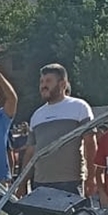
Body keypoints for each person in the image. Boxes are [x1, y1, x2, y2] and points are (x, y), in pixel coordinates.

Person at [17, 63, 96, 197]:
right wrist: (23, 183)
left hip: (70, 183)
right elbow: (30, 152)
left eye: (48, 81)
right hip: (40, 184)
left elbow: (90, 144)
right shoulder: (37, 115)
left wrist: (91, 178)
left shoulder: (79, 107)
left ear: (62, 84)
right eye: (41, 81)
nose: (43, 85)